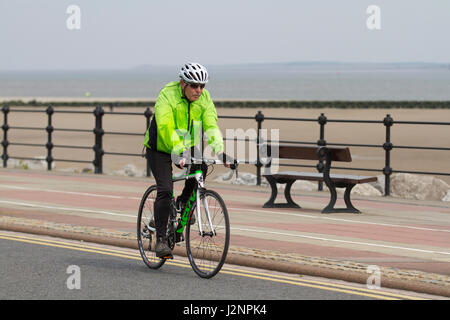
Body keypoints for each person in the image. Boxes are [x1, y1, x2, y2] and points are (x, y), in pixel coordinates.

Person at [143, 62, 233, 258]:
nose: (199, 90)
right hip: (160, 147)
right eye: (194, 85)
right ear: (182, 83)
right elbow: (166, 126)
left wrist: (220, 152)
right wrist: (179, 151)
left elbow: (211, 125)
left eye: (202, 86)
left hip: (187, 145)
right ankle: (160, 240)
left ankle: (183, 204)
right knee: (165, 190)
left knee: (199, 171)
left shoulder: (204, 98)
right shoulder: (167, 95)